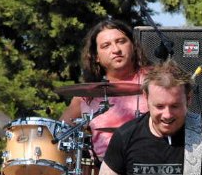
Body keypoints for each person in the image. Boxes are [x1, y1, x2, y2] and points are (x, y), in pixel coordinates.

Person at [60, 18, 150, 161]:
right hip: (104, 167)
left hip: (150, 163)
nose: (116, 50)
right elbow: (60, 132)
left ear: (133, 45)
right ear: (96, 57)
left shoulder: (154, 80)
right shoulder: (86, 95)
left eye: (121, 41)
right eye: (106, 45)